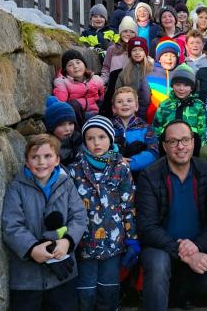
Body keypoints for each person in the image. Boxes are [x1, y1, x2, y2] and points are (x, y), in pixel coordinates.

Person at [136, 120, 207, 311]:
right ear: (164, 146)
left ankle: (181, 288)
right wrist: (185, 254)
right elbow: (147, 227)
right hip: (161, 246)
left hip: (200, 244)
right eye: (173, 142)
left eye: (185, 140)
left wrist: (197, 246)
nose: (180, 146)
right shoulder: (150, 175)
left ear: (193, 142)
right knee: (158, 266)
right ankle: (158, 296)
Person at [2, 134, 87, 311]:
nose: (41, 162)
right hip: (27, 279)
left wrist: (67, 241)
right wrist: (32, 248)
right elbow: (11, 225)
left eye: (48, 156)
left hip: (62, 273)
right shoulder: (16, 187)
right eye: (35, 157)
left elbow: (79, 216)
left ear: (57, 160)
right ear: (27, 162)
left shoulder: (66, 184)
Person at [68, 116, 139, 311]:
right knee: (86, 292)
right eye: (90, 138)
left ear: (111, 138)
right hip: (85, 243)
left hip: (113, 242)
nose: (96, 143)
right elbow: (69, 208)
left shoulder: (121, 168)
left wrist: (132, 238)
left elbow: (128, 205)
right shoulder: (75, 169)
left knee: (108, 290)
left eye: (101, 137)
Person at [152, 63, 206, 155]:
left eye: (186, 85)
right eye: (177, 84)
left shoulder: (198, 105)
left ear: (192, 88)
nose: (181, 89)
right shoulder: (164, 105)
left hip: (191, 150)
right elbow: (156, 129)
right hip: (169, 149)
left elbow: (202, 131)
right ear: (172, 86)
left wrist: (201, 150)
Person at [111, 87, 158, 179]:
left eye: (129, 101)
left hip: (139, 176)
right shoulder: (107, 128)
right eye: (120, 102)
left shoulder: (146, 128)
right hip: (111, 175)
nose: (125, 104)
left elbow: (153, 152)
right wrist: (116, 161)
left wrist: (127, 164)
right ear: (114, 109)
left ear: (136, 106)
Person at [53, 49, 105, 117]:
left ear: (84, 65)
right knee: (73, 104)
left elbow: (102, 96)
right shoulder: (63, 83)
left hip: (94, 113)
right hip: (75, 116)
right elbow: (61, 103)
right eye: (70, 65)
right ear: (66, 70)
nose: (75, 66)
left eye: (78, 62)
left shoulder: (95, 79)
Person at [115, 36, 153, 120]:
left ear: (145, 52)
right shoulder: (124, 73)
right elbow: (117, 93)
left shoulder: (152, 70)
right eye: (134, 50)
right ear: (130, 53)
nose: (137, 53)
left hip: (150, 112)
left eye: (141, 50)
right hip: (131, 113)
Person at [145, 37, 181, 122]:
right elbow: (144, 99)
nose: (169, 58)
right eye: (165, 55)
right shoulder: (150, 74)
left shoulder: (182, 73)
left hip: (177, 118)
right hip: (155, 117)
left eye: (173, 56)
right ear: (159, 59)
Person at [44, 96, 81, 167]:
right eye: (61, 125)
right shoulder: (47, 145)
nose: (67, 129)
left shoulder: (78, 138)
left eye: (70, 123)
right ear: (51, 127)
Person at [101, 16, 138, 85]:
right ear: (120, 33)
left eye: (132, 32)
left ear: (136, 34)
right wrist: (101, 82)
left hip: (132, 85)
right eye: (125, 31)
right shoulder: (112, 49)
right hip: (114, 85)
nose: (128, 34)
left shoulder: (138, 50)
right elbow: (106, 68)